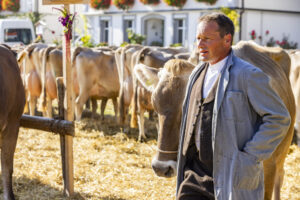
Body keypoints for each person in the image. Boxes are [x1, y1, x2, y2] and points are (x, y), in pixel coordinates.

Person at [176, 12, 291, 200]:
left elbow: (279, 118)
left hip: (231, 176)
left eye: (207, 39)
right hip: (194, 174)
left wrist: (250, 156)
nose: (200, 45)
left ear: (227, 40)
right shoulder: (196, 74)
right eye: (198, 38)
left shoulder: (248, 75)